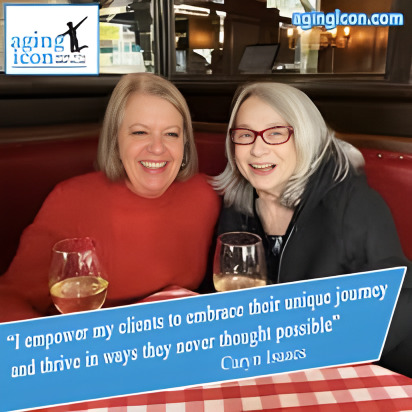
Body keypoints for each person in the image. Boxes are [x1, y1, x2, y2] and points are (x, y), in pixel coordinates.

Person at [213, 81, 412, 376]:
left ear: (305, 137)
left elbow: (399, 303)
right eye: (245, 134)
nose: (257, 149)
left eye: (276, 133)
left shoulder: (352, 204)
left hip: (365, 370)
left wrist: (310, 349)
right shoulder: (239, 204)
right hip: (273, 363)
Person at [0, 73, 220, 322]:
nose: (157, 148)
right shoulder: (70, 200)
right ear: (115, 140)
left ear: (185, 143)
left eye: (171, 134)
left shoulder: (205, 194)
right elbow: (9, 297)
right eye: (140, 132)